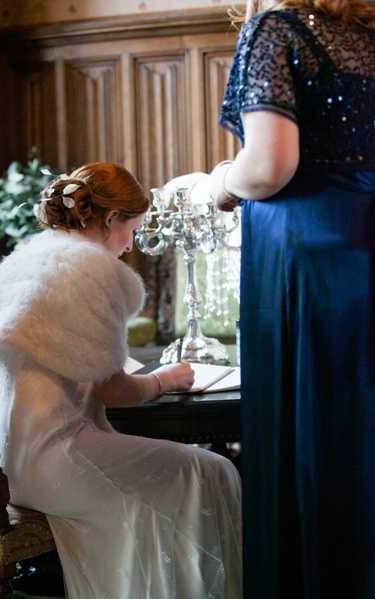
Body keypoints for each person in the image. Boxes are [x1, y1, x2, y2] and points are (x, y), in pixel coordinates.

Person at [0, 162, 242, 599]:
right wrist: (164, 379)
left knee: (177, 474)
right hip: (55, 461)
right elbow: (116, 392)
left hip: (9, 463)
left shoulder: (25, 260)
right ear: (109, 220)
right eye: (132, 230)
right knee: (210, 470)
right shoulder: (91, 271)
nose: (130, 245)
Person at [202, 0, 375, 597]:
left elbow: (270, 166)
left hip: (314, 258)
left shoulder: (278, 28)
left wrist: (217, 182)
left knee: (317, 441)